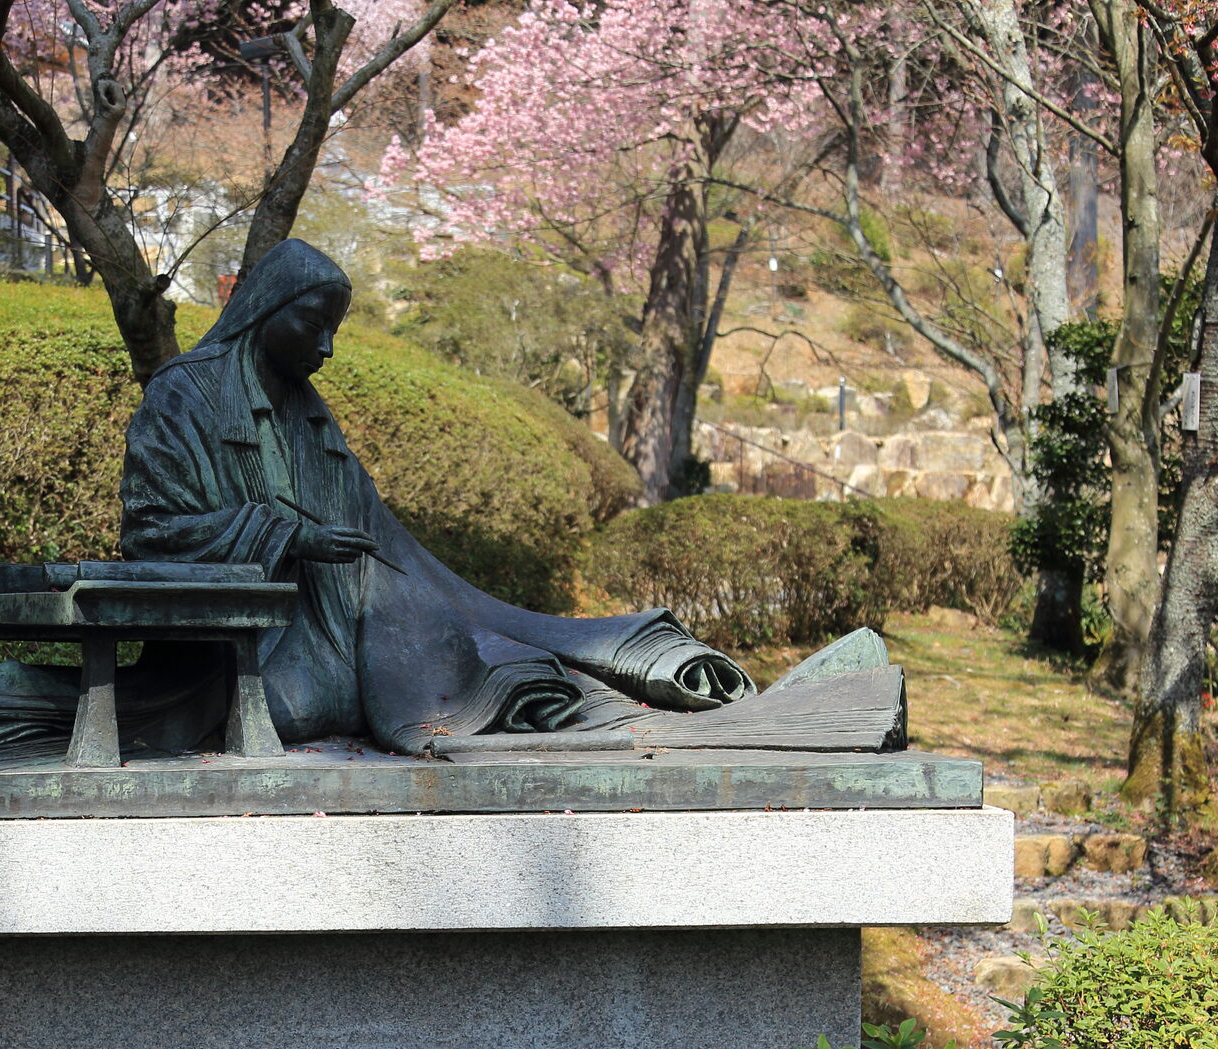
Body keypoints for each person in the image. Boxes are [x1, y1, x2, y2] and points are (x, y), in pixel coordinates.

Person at [117, 238, 754, 754]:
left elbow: (380, 538)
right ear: (262, 309)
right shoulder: (183, 396)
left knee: (474, 645)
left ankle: (622, 663)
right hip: (237, 646)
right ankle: (31, 694)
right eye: (312, 326)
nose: (325, 349)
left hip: (339, 626)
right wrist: (288, 536)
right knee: (308, 704)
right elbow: (148, 533)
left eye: (332, 331)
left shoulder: (307, 409)